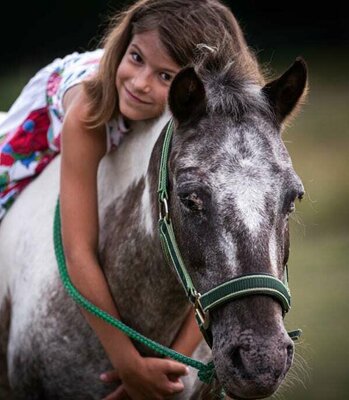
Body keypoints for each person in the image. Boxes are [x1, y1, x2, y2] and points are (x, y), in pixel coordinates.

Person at [0, 0, 265, 398]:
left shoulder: (202, 121)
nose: (141, 82)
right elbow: (78, 251)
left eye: (164, 75)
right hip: (39, 132)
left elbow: (209, 273)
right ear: (124, 45)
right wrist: (129, 364)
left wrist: (165, 370)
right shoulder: (90, 111)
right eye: (136, 57)